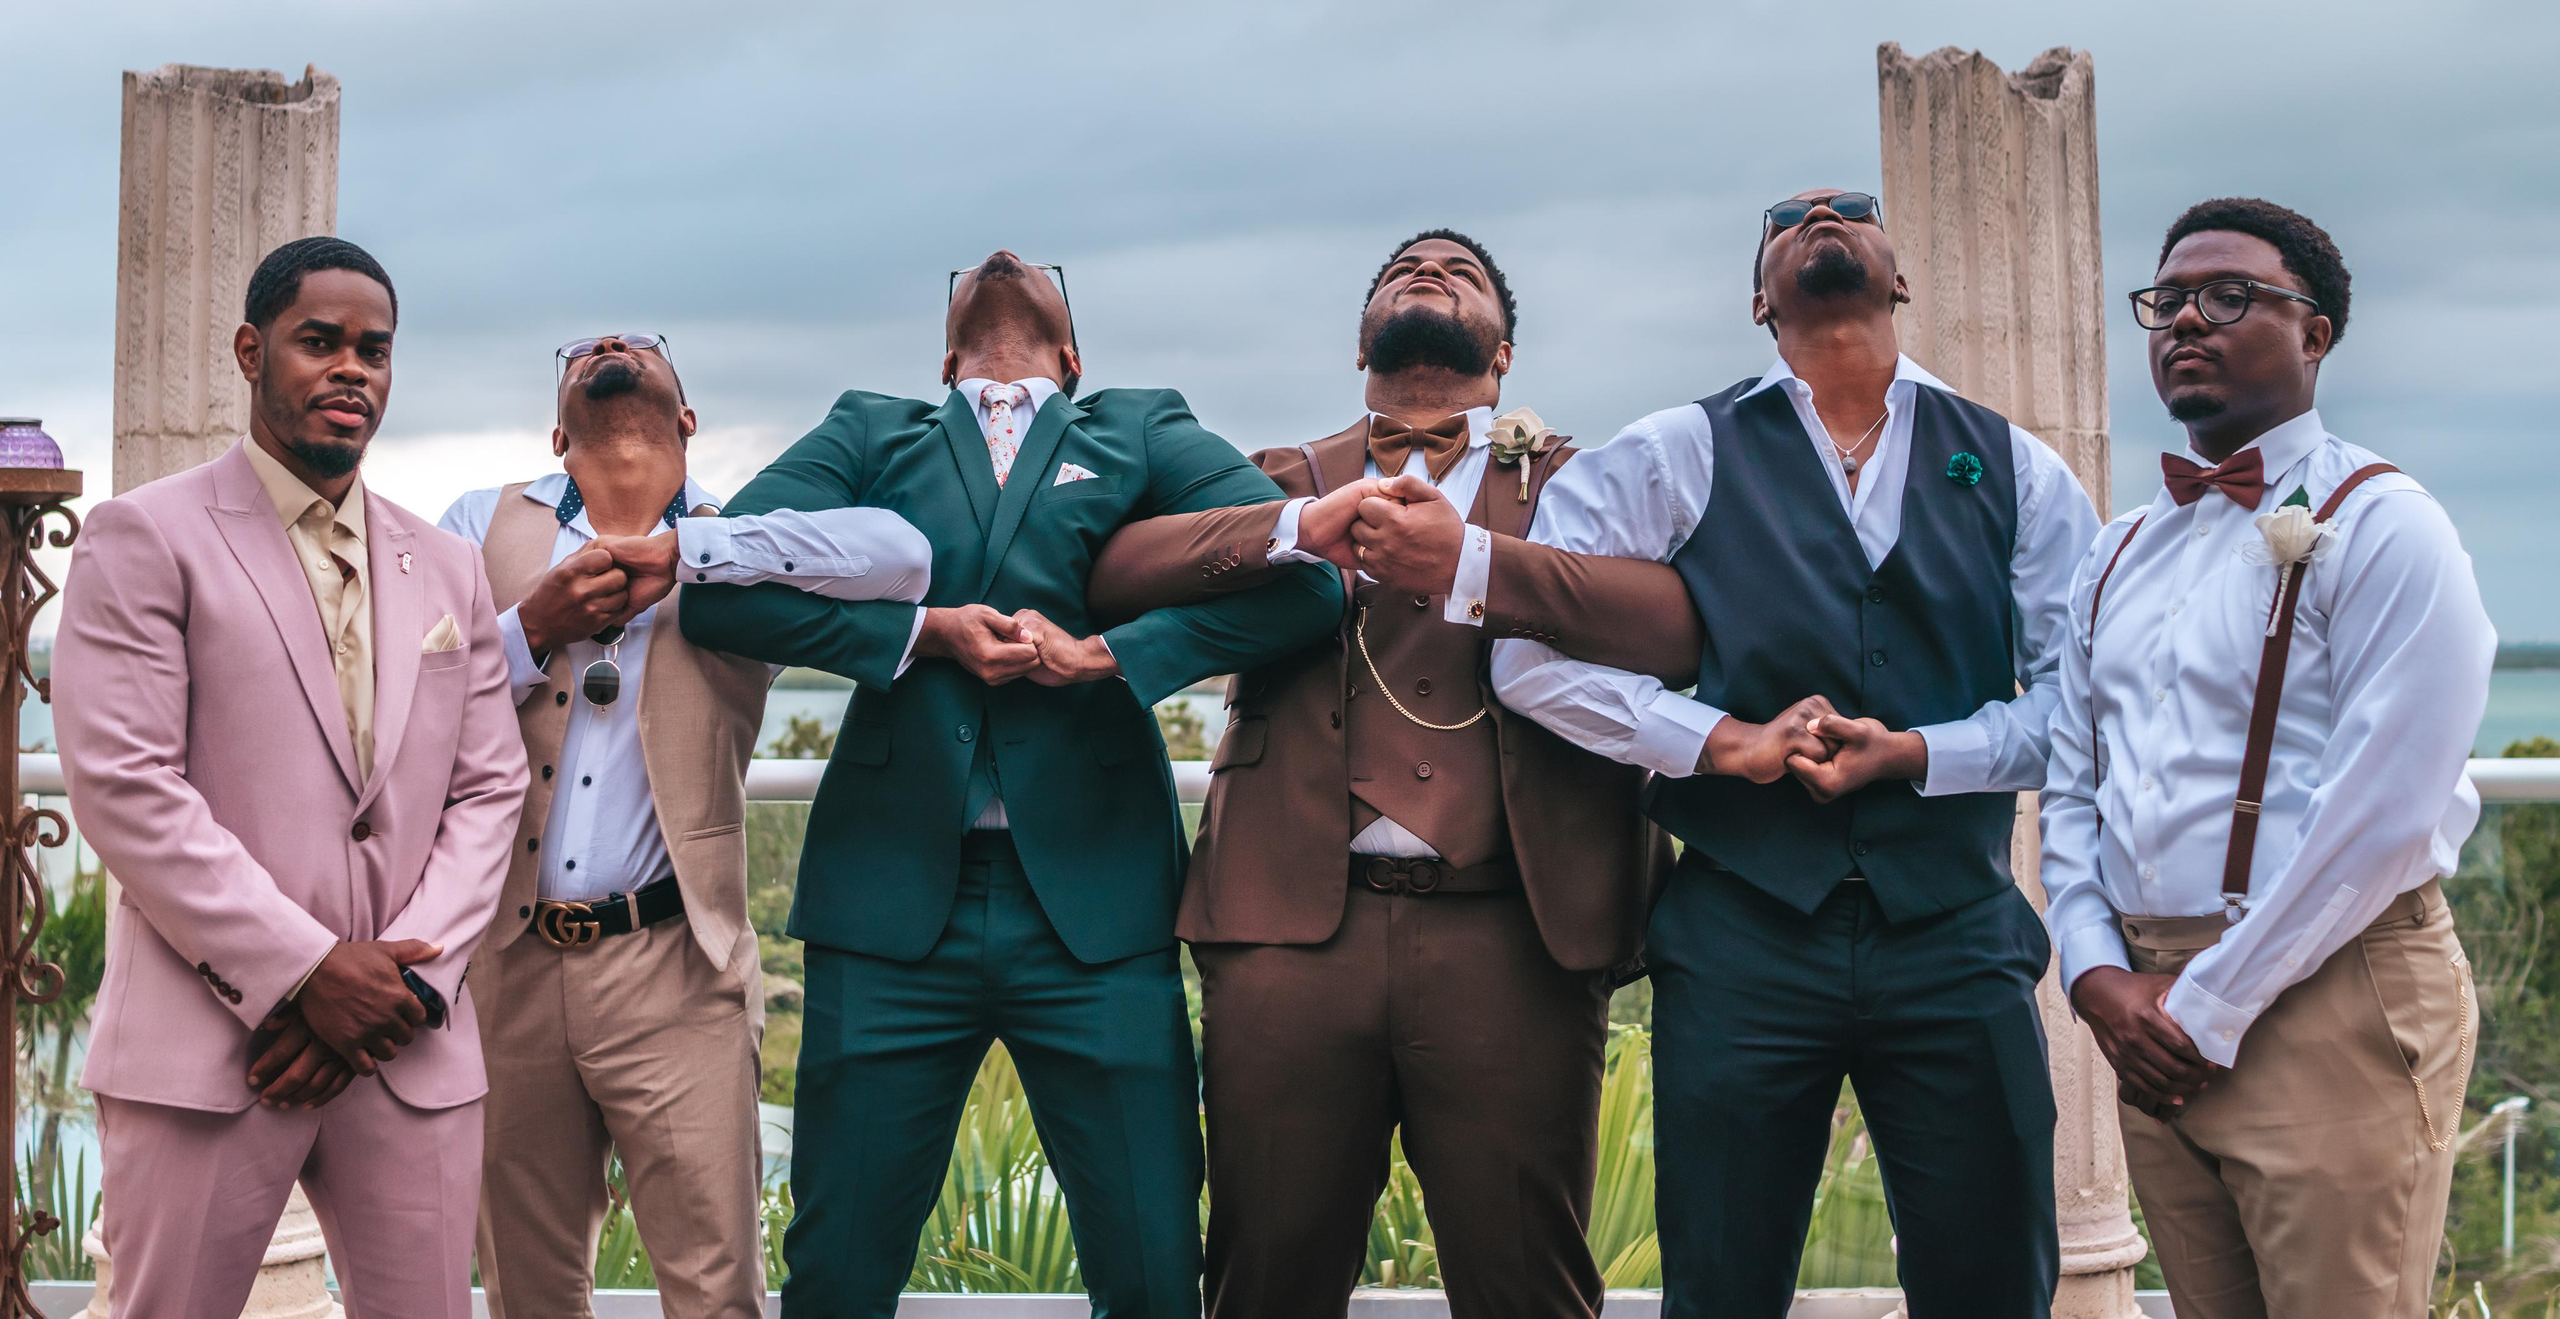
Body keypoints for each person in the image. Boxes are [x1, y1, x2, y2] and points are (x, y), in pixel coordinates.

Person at [678, 250, 1343, 1318]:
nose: (1001, 258)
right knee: (838, 1272)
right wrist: (917, 634)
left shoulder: (1139, 426)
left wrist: (1113, 656)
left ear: (1072, 358)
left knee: (1151, 1265)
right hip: (887, 911)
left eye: (1040, 268)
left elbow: (1303, 586)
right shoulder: (869, 429)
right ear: (945, 360)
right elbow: (716, 582)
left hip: (1099, 915)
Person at [1491, 189, 2098, 1319]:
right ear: (1758, 297)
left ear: (1899, 278)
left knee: (1993, 1282)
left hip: (1955, 933)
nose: (1820, 215)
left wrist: (1921, 752)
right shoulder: (1679, 449)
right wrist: (1715, 742)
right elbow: (1523, 655)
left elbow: (2087, 707)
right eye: (1788, 219)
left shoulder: (2010, 465)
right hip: (1739, 933)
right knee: (1722, 1283)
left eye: (1851, 210)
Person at [1082, 230, 1696, 1319]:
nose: (1428, 274)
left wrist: (1476, 563)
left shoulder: (1578, 481)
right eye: (1403, 270)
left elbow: (1676, 625)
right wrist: (1292, 528)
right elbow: (1115, 574)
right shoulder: (1278, 477)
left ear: (1503, 358)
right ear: (1358, 338)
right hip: (1286, 934)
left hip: (1514, 928)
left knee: (1528, 1288)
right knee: (1264, 1278)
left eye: (1459, 272)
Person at [53, 237, 528, 1319]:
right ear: (251, 350)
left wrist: (402, 988)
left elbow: (490, 790)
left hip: (412, 1052)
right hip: (214, 1048)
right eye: (320, 342)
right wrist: (309, 976)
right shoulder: (145, 538)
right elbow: (127, 786)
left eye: (375, 349)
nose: (351, 369)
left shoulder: (446, 564)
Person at [2041, 198, 2492, 1318]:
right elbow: (2070, 777)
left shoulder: (2386, 523)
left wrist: (2211, 1004)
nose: (2186, 318)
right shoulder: (2116, 551)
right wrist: (2092, 968)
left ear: (2315, 334)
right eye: (2167, 300)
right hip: (2148, 1012)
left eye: (2230, 295)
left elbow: (2386, 813)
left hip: (2328, 995)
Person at [437, 331, 934, 1319]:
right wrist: (530, 628)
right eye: (585, 349)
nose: (613, 346)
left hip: (678, 966)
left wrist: (694, 552)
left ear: (689, 421)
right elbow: (406, 701)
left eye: (641, 345)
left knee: (714, 1290)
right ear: (556, 430)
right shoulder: (476, 522)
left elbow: (905, 556)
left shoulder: (739, 537)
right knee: (526, 1294)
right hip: (503, 965)